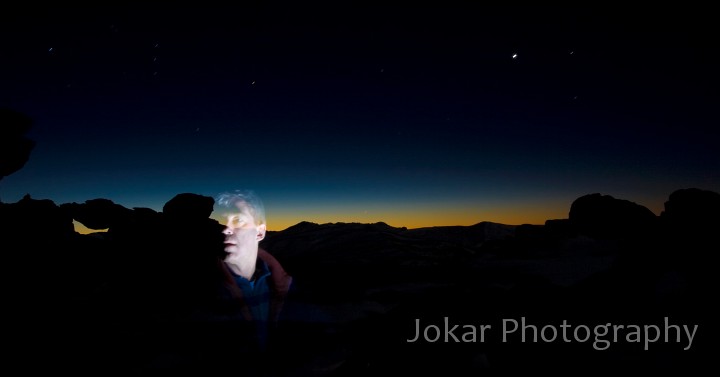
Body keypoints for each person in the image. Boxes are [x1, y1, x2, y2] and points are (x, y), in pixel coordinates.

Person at [212, 190, 293, 353]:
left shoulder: (288, 287)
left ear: (260, 231)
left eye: (238, 219)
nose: (225, 229)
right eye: (219, 221)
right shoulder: (199, 290)